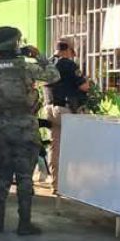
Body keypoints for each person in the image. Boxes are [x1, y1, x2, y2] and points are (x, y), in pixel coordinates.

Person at [0, 27, 60, 234]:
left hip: (0, 127)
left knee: (1, 175)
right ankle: (24, 224)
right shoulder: (26, 67)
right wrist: (39, 56)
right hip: (25, 126)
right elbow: (54, 75)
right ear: (15, 44)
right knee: (24, 177)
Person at [43, 38, 91, 192]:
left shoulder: (47, 63)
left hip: (49, 109)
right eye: (72, 52)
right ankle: (75, 184)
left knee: (55, 147)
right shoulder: (68, 64)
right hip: (65, 110)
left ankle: (56, 184)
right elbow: (84, 86)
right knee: (73, 146)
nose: (72, 56)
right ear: (68, 50)